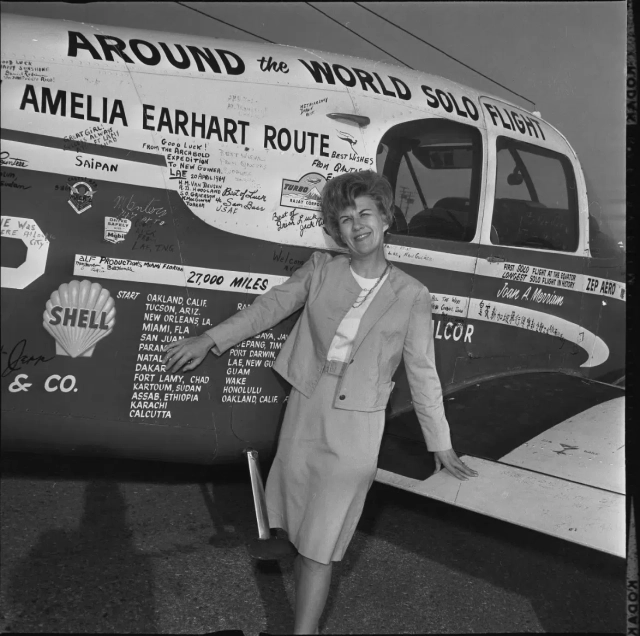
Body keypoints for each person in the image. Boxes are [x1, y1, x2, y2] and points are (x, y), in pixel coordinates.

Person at [162, 170, 478, 634]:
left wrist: (441, 443)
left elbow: (423, 372)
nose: (356, 226)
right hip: (306, 410)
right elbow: (268, 308)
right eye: (345, 219)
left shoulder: (412, 295)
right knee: (291, 524)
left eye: (365, 213)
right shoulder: (320, 270)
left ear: (386, 218)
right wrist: (210, 339)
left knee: (320, 545)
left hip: (356, 430)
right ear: (336, 230)